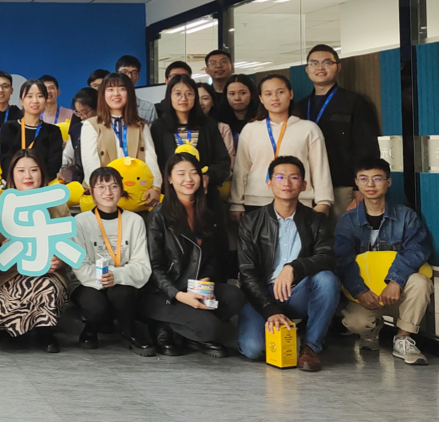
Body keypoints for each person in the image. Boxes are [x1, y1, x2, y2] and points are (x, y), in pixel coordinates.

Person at [237, 156, 338, 372]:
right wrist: (270, 309)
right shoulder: (251, 222)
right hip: (262, 295)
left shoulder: (316, 220)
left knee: (327, 280)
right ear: (269, 183)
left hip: (297, 292)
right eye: (280, 177)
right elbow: (247, 273)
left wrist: (294, 267)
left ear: (304, 185)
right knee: (253, 349)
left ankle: (311, 346)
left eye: (294, 177)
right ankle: (282, 328)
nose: (286, 183)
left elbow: (327, 257)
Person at [143, 153, 245, 358]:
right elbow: (154, 267)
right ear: (169, 178)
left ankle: (188, 332)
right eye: (181, 174)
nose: (188, 179)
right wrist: (178, 294)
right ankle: (165, 325)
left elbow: (214, 257)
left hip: (195, 288)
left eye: (194, 173)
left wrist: (206, 281)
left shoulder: (207, 212)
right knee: (211, 330)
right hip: (164, 293)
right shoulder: (159, 216)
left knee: (235, 296)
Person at [335, 157, 431, 365]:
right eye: (364, 179)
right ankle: (370, 334)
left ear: (388, 182)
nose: (370, 184)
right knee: (356, 323)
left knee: (421, 282)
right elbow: (343, 260)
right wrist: (359, 291)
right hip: (366, 295)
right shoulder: (346, 221)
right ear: (356, 183)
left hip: (398, 294)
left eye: (377, 178)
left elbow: (417, 250)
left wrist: (395, 281)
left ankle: (403, 339)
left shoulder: (406, 217)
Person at [0, 151, 73, 353]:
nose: (28, 176)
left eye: (34, 170)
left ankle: (45, 330)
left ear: (42, 173)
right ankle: (9, 329)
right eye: (21, 171)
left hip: (45, 271)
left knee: (47, 288)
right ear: (12, 175)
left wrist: (59, 260)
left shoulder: (56, 202)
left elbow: (69, 242)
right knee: (5, 303)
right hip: (5, 275)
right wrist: (1, 250)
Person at [68, 166, 155, 355]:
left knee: (123, 294)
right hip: (86, 282)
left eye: (113, 186)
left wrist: (115, 276)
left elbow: (142, 264)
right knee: (95, 306)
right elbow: (80, 266)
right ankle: (92, 327)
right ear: (91, 192)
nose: (107, 192)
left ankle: (129, 331)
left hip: (121, 279)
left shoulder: (135, 221)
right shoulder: (79, 222)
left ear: (121, 190)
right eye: (101, 187)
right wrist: (103, 278)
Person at [230, 74, 333, 221]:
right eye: (268, 94)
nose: (275, 98)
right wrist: (236, 203)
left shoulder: (308, 129)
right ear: (261, 98)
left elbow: (319, 167)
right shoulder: (250, 129)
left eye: (280, 92)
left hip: (299, 200)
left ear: (290, 94)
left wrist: (324, 201)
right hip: (257, 201)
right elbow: (241, 168)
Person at [296, 45, 381, 218]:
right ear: (306, 69)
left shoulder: (355, 102)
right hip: (306, 187)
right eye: (314, 63)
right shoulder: (300, 107)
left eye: (327, 63)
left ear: (338, 67)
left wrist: (359, 186)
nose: (320, 68)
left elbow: (367, 148)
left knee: (341, 232)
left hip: (342, 186)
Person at [149, 75, 230, 210]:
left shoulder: (208, 125)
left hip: (206, 198)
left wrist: (208, 177)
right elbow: (156, 163)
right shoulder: (159, 127)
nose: (183, 98)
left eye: (189, 94)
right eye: (178, 94)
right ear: (169, 97)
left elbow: (223, 162)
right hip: (171, 198)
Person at [79, 72, 160, 204]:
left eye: (122, 89)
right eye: (110, 89)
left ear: (130, 93)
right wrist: (103, 190)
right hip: (104, 193)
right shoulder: (91, 125)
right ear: (103, 94)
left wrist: (155, 187)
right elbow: (90, 163)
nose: (116, 94)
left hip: (137, 191)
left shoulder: (141, 125)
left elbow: (150, 158)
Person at [0, 79, 63, 182]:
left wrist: (36, 183)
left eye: (40, 96)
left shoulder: (53, 131)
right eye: (29, 96)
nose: (35, 100)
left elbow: (54, 165)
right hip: (14, 186)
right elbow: (6, 161)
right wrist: (19, 183)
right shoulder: (9, 128)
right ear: (21, 100)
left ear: (45, 100)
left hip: (43, 187)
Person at [61, 87, 97, 183]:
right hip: (82, 181)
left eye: (85, 112)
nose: (82, 117)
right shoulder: (77, 129)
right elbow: (67, 156)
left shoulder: (107, 128)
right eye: (78, 113)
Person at [197, 82, 236, 166]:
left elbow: (229, 160)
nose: (200, 103)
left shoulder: (223, 128)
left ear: (212, 102)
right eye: (196, 98)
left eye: (205, 98)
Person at [114, 55, 155, 124]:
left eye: (134, 73)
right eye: (124, 72)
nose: (129, 76)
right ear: (116, 75)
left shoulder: (148, 108)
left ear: (138, 76)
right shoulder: (107, 105)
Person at [203, 50, 234, 122]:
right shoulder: (205, 95)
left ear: (232, 67)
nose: (219, 66)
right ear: (207, 70)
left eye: (223, 62)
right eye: (213, 63)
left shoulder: (239, 93)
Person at [224, 74, 256, 138]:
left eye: (243, 93)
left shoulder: (261, 120)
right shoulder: (221, 123)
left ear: (252, 94)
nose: (237, 98)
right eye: (232, 94)